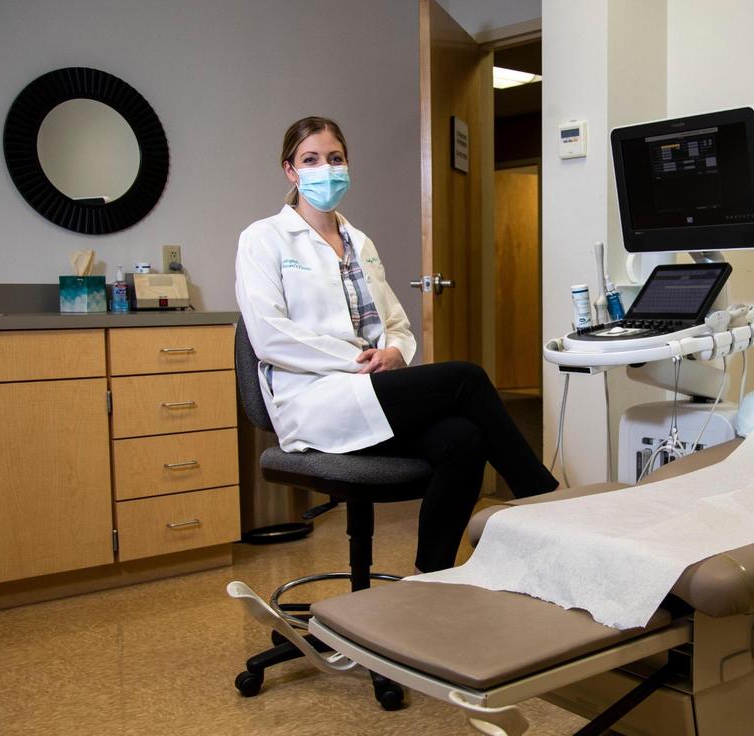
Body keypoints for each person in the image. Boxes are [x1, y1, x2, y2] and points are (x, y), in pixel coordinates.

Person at [235, 116, 558, 573]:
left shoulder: (359, 241)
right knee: (466, 378)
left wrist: (394, 353)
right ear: (290, 170)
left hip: (369, 388)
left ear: (347, 166)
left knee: (462, 439)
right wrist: (355, 359)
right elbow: (268, 335)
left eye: (335, 158)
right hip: (314, 400)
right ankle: (546, 501)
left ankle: (434, 577)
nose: (325, 169)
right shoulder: (263, 238)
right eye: (311, 160)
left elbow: (399, 327)